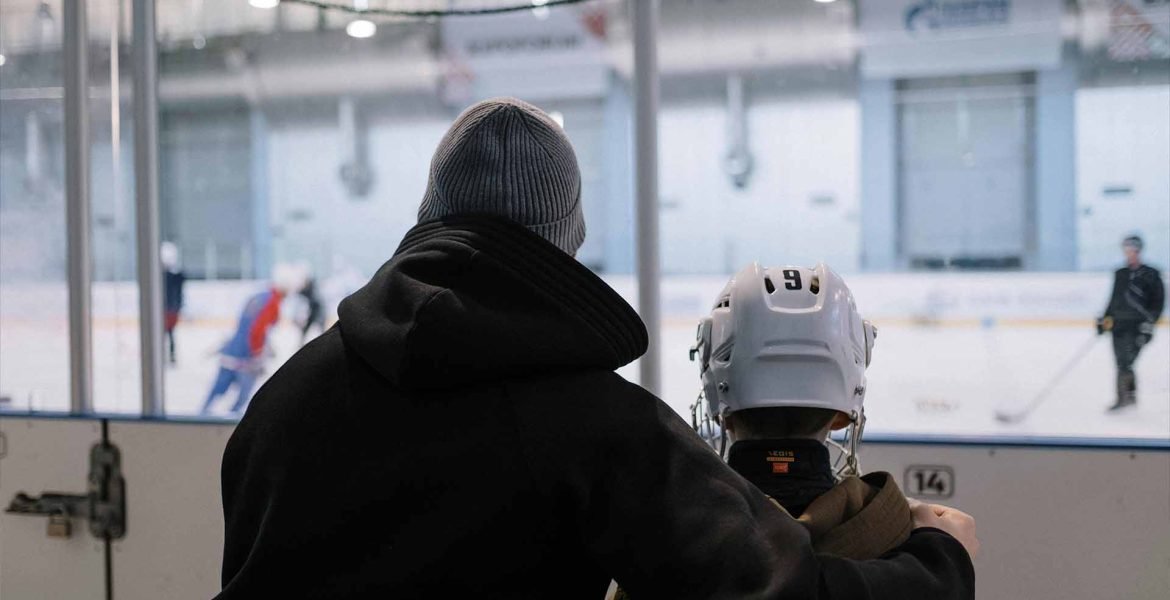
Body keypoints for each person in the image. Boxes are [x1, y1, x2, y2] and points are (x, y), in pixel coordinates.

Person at [216, 98, 977, 599]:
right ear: (565, 244)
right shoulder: (593, 426)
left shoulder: (284, 400)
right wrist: (940, 561)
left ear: (429, 218)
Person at [612, 263, 977, 599]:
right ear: (841, 415)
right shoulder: (905, 538)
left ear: (720, 408)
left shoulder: (666, 541)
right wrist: (943, 554)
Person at [201, 265, 302, 416]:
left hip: (232, 350)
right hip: (247, 356)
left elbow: (246, 325)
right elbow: (258, 330)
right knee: (243, 398)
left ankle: (202, 414)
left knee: (218, 389)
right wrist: (258, 354)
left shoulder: (259, 295)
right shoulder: (272, 303)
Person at [1097, 235, 1164, 412]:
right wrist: (1104, 319)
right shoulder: (1121, 273)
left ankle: (1127, 397)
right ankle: (1127, 397)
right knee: (1122, 362)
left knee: (1127, 361)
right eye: (1126, 249)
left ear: (1139, 250)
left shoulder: (1151, 274)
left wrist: (1150, 325)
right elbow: (1114, 299)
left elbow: (1158, 302)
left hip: (1138, 326)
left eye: (1132, 249)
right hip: (1118, 325)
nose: (1129, 253)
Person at [161, 241, 186, 365]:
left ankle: (170, 355)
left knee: (168, 333)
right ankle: (168, 355)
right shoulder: (167, 276)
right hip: (168, 309)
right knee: (167, 334)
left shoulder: (174, 276)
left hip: (170, 309)